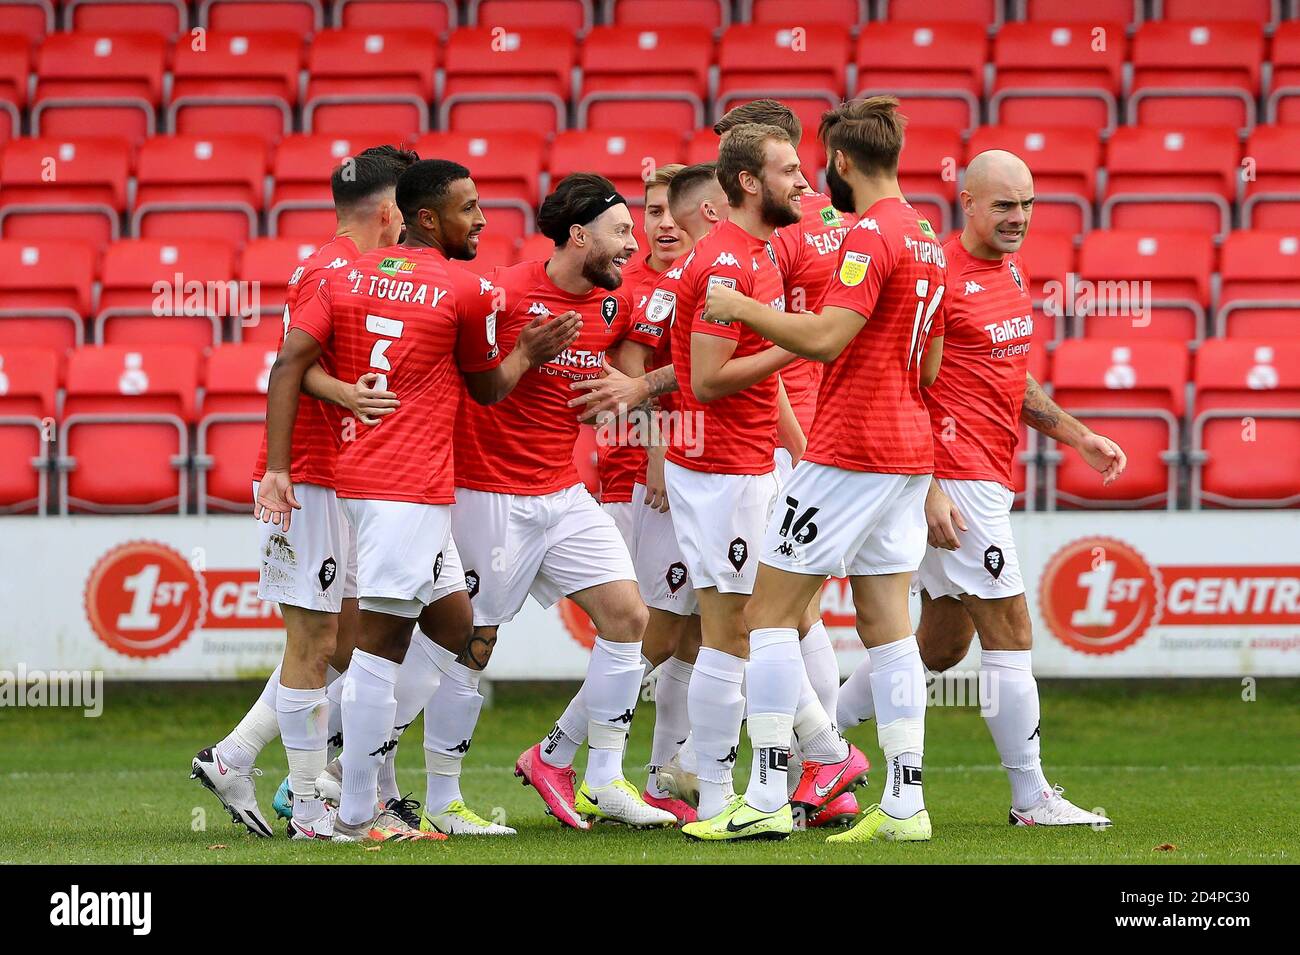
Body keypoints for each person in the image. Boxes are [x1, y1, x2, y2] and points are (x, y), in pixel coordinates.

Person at [258, 160, 575, 842]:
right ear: (427, 217)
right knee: (375, 649)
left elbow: (289, 363)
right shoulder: (467, 289)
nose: (483, 220)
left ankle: (341, 785)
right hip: (404, 487)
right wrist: (529, 353)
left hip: (374, 481)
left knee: (455, 622)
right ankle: (354, 811)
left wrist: (278, 468)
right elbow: (490, 389)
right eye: (470, 207)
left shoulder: (344, 276)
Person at [837, 149, 1120, 828]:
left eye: (1026, 204)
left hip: (982, 474)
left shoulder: (1010, 271)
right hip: (953, 478)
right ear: (968, 201)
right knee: (1011, 629)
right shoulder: (941, 274)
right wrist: (929, 484)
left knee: (939, 644)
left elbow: (1008, 378)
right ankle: (1031, 798)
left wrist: (1076, 434)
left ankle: (813, 743)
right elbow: (905, 380)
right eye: (1004, 204)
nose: (1018, 217)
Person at [698, 96, 946, 844]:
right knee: (886, 624)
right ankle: (905, 804)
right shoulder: (929, 234)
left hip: (850, 450)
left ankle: (768, 792)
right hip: (908, 451)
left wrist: (740, 304)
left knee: (765, 613)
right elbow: (931, 359)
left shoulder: (869, 235)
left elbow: (829, 337)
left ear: (841, 161)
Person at [191, 145, 416, 840]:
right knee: (317, 639)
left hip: (343, 474)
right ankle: (313, 809)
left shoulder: (359, 268)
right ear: (389, 211)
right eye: (406, 214)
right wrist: (281, 466)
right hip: (309, 476)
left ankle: (236, 757)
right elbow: (290, 363)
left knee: (345, 639)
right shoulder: (330, 269)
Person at [441, 173, 674, 829]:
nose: (634, 245)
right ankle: (441, 798)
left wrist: (631, 389)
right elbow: (469, 385)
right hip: (488, 493)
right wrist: (522, 354)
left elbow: (648, 370)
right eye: (622, 230)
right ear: (580, 234)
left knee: (629, 616)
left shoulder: (615, 304)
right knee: (471, 641)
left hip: (561, 491)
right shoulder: (504, 294)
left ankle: (602, 778)